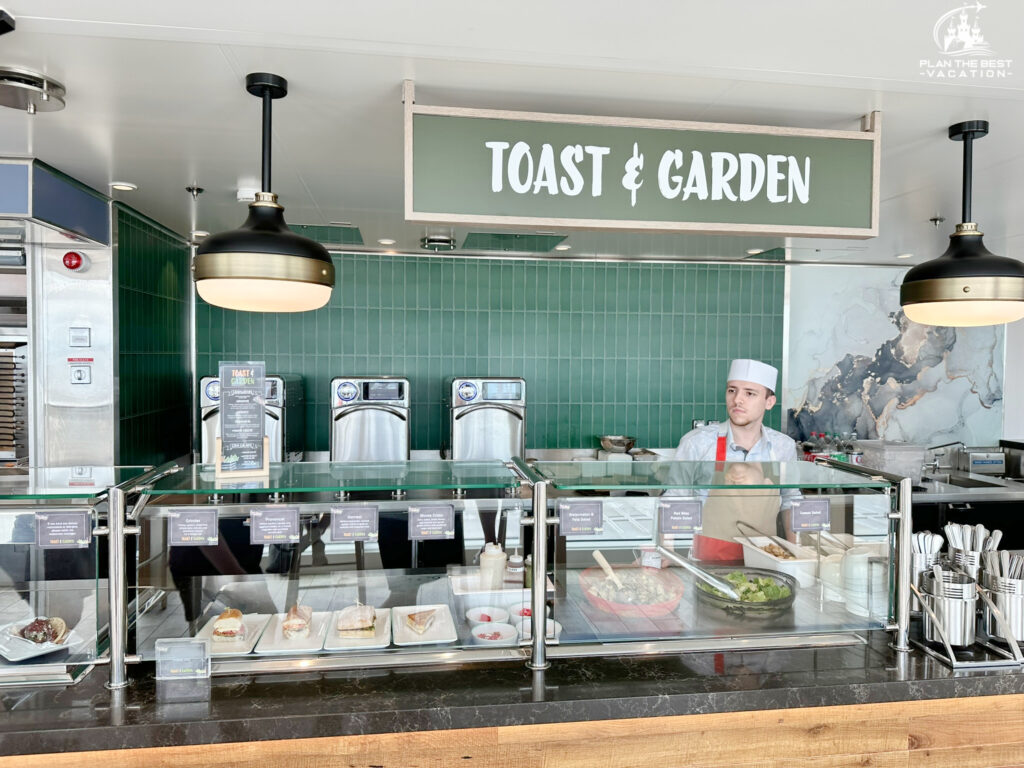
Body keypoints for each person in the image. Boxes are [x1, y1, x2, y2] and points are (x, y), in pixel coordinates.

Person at [673, 359, 799, 562]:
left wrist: (797, 556)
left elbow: (791, 502)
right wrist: (668, 553)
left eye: (750, 393)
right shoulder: (697, 443)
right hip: (707, 562)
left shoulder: (783, 447)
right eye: (732, 390)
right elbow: (675, 501)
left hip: (765, 560)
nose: (737, 400)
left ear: (769, 402)